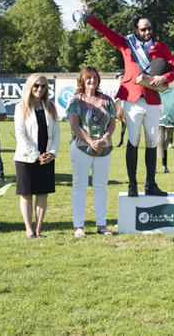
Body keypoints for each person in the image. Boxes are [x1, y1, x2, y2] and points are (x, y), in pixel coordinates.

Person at [82, 4, 174, 197]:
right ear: (136, 30)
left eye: (149, 28)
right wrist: (88, 17)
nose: (147, 32)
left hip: (153, 100)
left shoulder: (162, 47)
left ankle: (150, 184)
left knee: (152, 142)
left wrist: (166, 78)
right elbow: (106, 32)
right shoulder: (127, 43)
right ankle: (132, 184)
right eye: (143, 29)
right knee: (133, 141)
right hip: (132, 99)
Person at [67, 66, 116, 237]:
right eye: (88, 77)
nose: (92, 80)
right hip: (81, 148)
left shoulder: (108, 100)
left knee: (101, 187)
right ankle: (78, 226)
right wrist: (91, 141)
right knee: (79, 186)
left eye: (95, 77)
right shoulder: (76, 101)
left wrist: (103, 140)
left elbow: (112, 124)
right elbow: (74, 125)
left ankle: (102, 225)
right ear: (82, 80)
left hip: (104, 149)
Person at [13, 74, 60, 239]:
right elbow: (21, 136)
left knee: (43, 194)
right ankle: (29, 230)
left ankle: (38, 230)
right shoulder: (21, 107)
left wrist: (52, 153)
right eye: (37, 85)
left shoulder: (51, 107)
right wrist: (36, 155)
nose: (40, 89)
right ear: (30, 86)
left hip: (47, 157)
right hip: (26, 158)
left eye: (44, 86)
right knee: (26, 195)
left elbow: (56, 134)